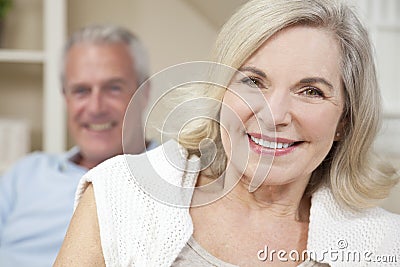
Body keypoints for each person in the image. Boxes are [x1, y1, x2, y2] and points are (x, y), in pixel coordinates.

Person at [55, 0, 400, 266]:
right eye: (253, 81)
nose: (273, 116)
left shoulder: (384, 244)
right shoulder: (119, 195)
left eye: (311, 91)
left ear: (344, 121)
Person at [0, 25, 155, 267]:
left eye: (113, 88)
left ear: (144, 92)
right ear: (65, 99)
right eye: (81, 91)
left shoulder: (178, 174)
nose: (95, 108)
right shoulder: (25, 174)